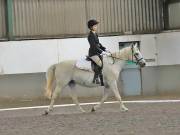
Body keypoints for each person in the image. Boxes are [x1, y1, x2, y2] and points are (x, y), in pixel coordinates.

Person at [87, 19, 110, 86]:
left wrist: (104, 49)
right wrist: (101, 51)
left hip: (97, 52)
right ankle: (96, 78)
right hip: (93, 53)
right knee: (100, 64)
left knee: (104, 63)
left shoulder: (95, 34)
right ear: (91, 27)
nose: (96, 27)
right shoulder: (90, 35)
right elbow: (93, 46)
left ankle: (102, 79)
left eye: (96, 26)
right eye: (95, 26)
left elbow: (98, 43)